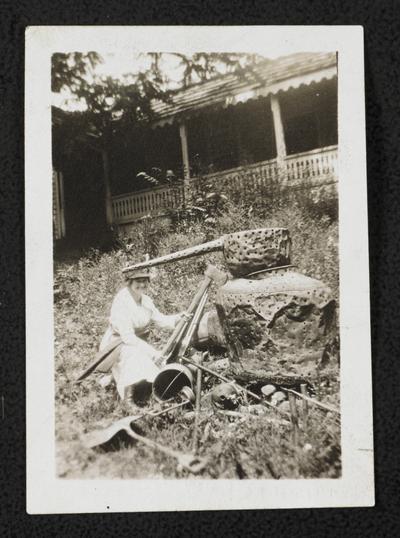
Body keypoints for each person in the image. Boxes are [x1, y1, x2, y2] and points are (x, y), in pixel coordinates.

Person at [98, 268, 183, 404]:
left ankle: (139, 390)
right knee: (135, 357)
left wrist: (178, 318)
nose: (142, 285)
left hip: (136, 342)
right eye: (138, 281)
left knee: (146, 361)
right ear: (129, 282)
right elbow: (128, 337)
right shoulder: (122, 301)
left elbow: (159, 319)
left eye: (145, 281)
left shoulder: (146, 300)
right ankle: (128, 401)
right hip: (117, 343)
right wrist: (153, 353)